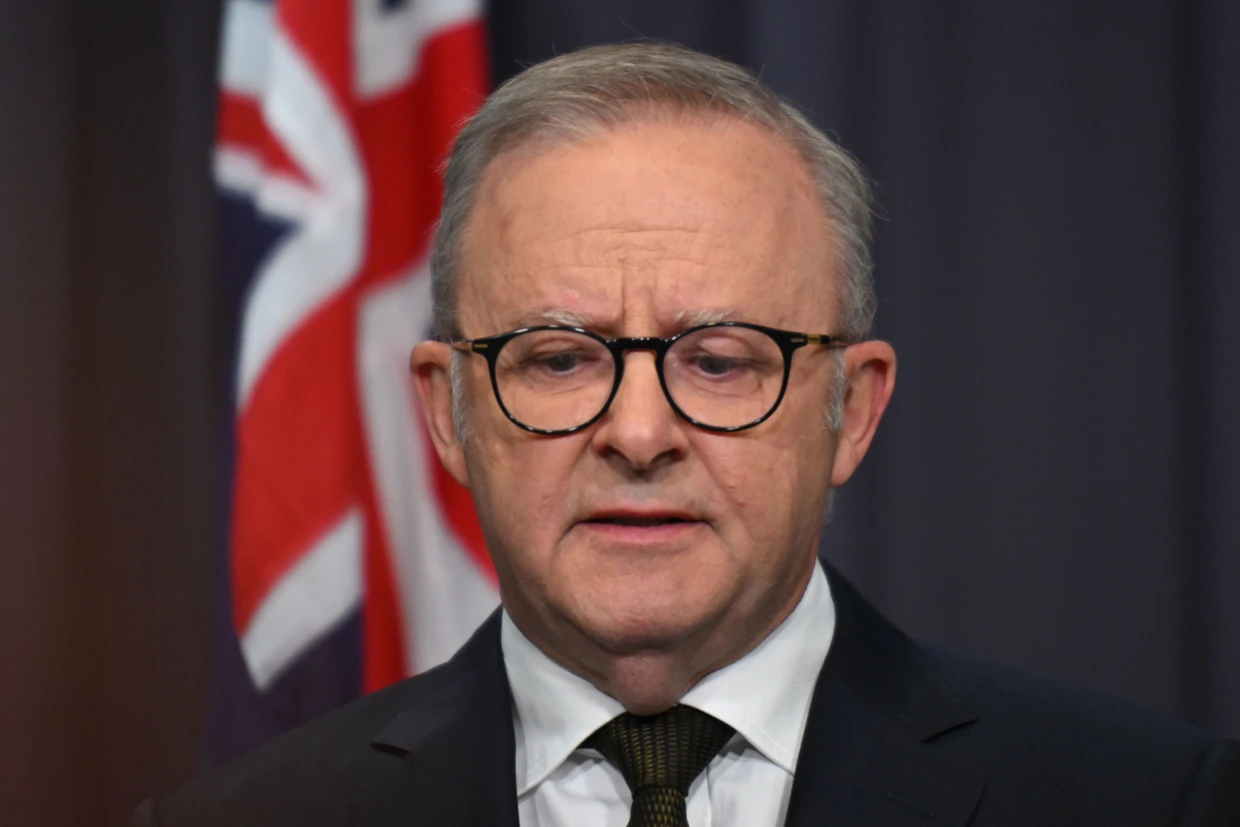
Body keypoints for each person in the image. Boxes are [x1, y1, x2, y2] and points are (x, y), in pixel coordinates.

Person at [132, 41, 1240, 827]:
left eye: (719, 358)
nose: (639, 429)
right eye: (560, 357)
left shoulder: (1154, 800)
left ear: (850, 408)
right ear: (448, 411)